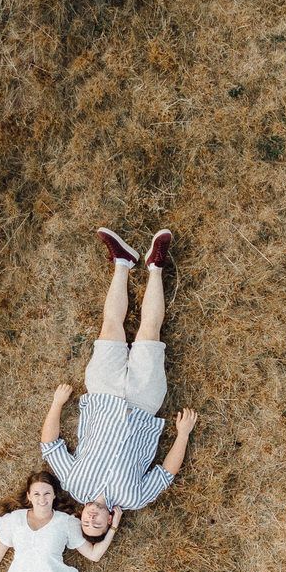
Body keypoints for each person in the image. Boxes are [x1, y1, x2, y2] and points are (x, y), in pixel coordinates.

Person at [41, 227, 199, 538]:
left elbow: (50, 445)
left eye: (86, 521)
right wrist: (183, 434)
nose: (92, 518)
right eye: (97, 524)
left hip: (102, 392)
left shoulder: (74, 484)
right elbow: (166, 473)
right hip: (143, 401)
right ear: (110, 520)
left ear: (81, 515)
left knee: (110, 326)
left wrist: (57, 403)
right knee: (150, 331)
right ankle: (156, 266)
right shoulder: (134, 498)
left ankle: (123, 262)